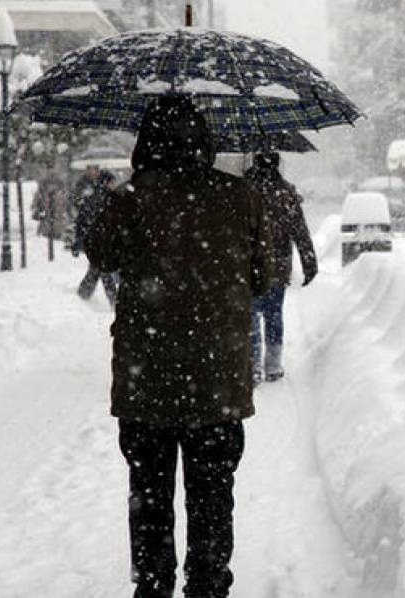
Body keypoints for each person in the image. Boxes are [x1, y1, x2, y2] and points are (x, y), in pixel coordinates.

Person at [83, 96, 273, 598]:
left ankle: (153, 583)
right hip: (217, 380)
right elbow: (264, 276)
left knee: (149, 493)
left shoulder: (131, 199)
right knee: (212, 494)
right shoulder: (240, 197)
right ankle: (208, 585)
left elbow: (99, 252)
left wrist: (121, 198)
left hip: (146, 378)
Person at [246, 151, 317, 383]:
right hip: (277, 265)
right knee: (273, 314)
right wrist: (309, 263)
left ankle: (253, 363)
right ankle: (273, 365)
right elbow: (300, 232)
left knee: (251, 316)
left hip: (249, 265)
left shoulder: (244, 190)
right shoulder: (286, 193)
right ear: (277, 165)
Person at [72, 164, 120, 303]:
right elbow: (83, 214)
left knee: (98, 267)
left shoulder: (106, 190)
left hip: (104, 235)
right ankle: (112, 299)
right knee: (100, 266)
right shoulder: (90, 190)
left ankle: (84, 293)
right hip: (96, 235)